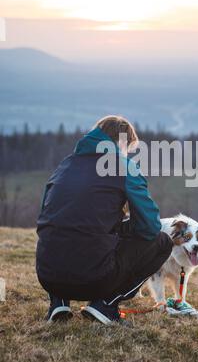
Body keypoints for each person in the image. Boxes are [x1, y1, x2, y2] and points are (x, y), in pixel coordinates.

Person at [36, 115, 173, 325]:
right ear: (122, 143)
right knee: (162, 242)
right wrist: (123, 229)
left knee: (63, 228)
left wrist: (115, 227)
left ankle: (58, 302)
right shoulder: (123, 167)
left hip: (47, 276)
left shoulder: (65, 165)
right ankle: (105, 305)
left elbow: (47, 217)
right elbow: (150, 227)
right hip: (93, 279)